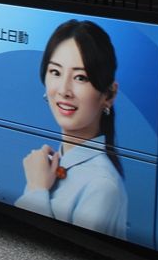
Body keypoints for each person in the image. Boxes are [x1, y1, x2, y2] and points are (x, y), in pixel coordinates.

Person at [14, 19, 127, 239]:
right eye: (55, 72)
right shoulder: (57, 162)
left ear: (109, 94)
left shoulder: (102, 186)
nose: (64, 90)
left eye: (80, 77)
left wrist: (37, 188)